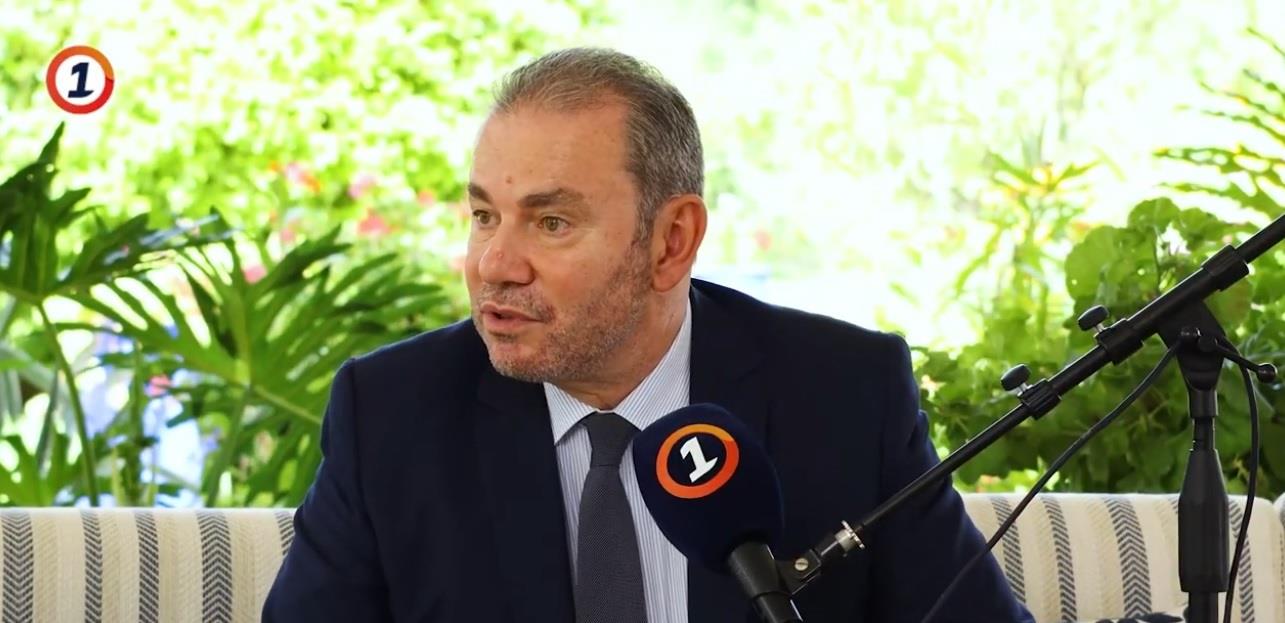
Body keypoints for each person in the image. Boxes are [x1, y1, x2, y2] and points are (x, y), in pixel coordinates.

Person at [263, 47, 1032, 623]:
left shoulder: (843, 395)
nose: (494, 264)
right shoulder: (393, 413)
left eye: (551, 222)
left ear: (671, 241)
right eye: (484, 216)